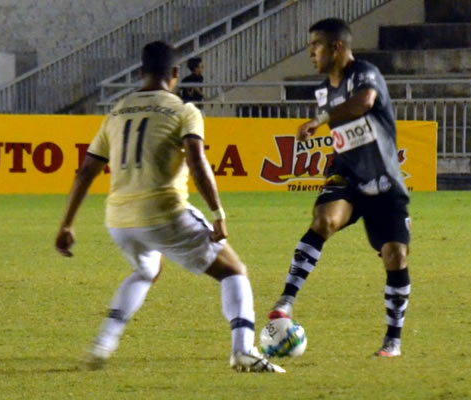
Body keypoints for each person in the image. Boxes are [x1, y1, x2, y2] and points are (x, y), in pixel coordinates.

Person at [55, 41, 284, 373]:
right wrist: (218, 212)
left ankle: (104, 343)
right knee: (234, 271)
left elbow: (86, 171)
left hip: (119, 220)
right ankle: (244, 349)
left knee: (147, 270)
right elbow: (196, 158)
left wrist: (66, 224)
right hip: (164, 213)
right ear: (176, 73)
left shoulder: (117, 111)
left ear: (139, 73)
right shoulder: (183, 110)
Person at [267, 18, 412, 358]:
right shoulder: (325, 90)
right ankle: (286, 301)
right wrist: (325, 117)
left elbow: (363, 102)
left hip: (384, 180)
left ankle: (393, 340)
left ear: (336, 47)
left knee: (395, 255)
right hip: (346, 173)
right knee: (325, 220)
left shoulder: (365, 73)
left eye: (315, 45)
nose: (310, 53)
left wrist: (320, 119)